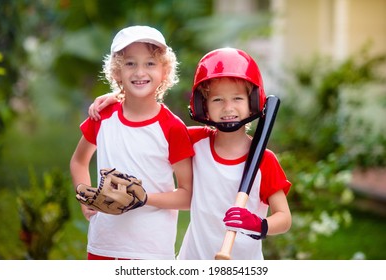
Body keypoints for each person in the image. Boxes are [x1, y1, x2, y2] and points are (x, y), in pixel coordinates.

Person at [88, 47, 291, 260]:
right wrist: (120, 96)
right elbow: (158, 122)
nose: (228, 107)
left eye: (237, 99)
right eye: (217, 100)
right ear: (203, 106)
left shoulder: (264, 160)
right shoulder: (195, 141)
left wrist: (260, 224)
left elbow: (284, 218)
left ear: (251, 103)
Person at [70, 25, 194, 260]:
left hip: (150, 251)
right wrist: (84, 198)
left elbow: (187, 196)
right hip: (102, 245)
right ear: (116, 72)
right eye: (130, 63)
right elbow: (78, 161)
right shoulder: (103, 116)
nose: (140, 72)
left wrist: (142, 198)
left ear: (164, 71)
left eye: (150, 63)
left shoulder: (172, 127)